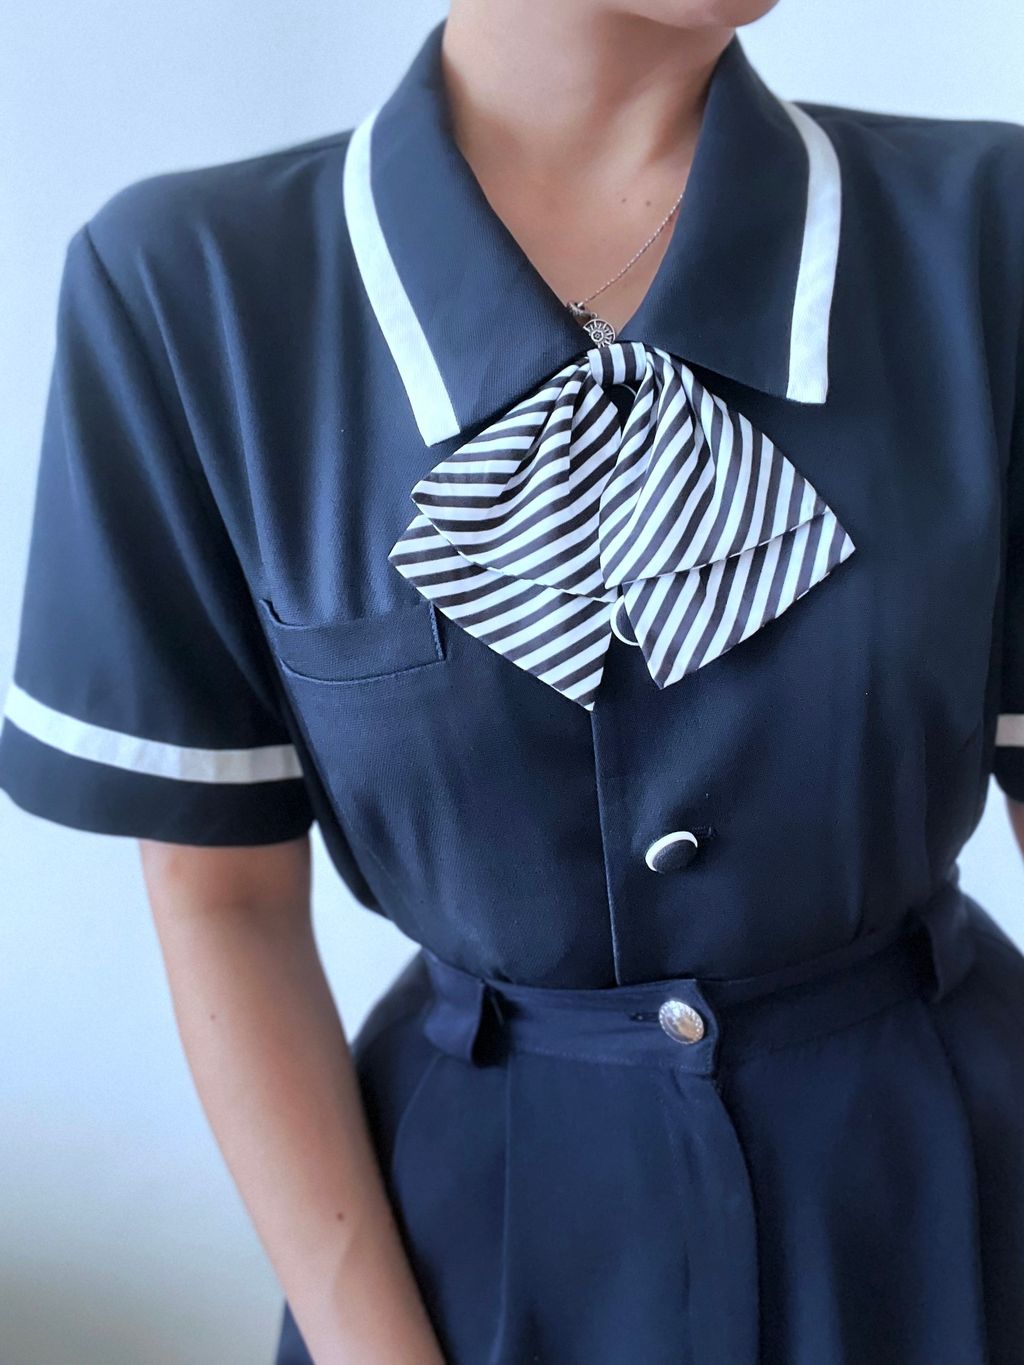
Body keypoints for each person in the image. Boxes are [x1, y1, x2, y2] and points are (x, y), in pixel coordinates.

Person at [3, 1, 1024, 1361]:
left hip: (954, 1219)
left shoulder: (989, 235)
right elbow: (223, 899)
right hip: (472, 1262)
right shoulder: (190, 295)